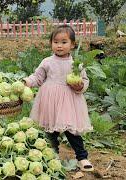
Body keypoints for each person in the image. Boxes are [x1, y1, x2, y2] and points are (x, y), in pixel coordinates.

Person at [23, 24, 94, 172]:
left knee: (71, 130)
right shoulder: (47, 62)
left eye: (64, 42)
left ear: (72, 45)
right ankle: (52, 154)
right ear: (51, 44)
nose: (59, 46)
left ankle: (82, 157)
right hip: (49, 102)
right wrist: (28, 82)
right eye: (56, 42)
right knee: (50, 130)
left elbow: (84, 81)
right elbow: (38, 77)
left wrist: (79, 86)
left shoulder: (76, 65)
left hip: (69, 102)